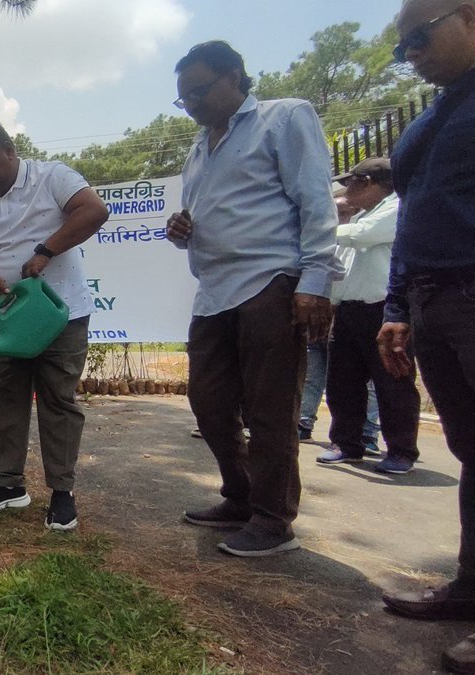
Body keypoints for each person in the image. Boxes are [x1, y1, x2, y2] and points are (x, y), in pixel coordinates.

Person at [165, 41, 343, 557]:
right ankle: (241, 497)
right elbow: (207, 212)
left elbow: (315, 199)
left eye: (198, 90)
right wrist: (184, 229)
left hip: (272, 280)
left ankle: (273, 518)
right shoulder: (199, 148)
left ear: (236, 77)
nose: (192, 104)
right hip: (214, 289)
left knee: (269, 407)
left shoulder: (284, 118)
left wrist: (315, 281)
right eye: (184, 98)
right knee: (209, 400)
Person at [376, 2, 475, 670]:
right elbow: (413, 213)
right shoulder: (436, 114)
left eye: (420, 35)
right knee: (471, 449)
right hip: (431, 297)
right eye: (401, 44)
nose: (410, 51)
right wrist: (397, 303)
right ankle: (470, 586)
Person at [0, 121, 109, 531]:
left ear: (9, 149)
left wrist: (45, 251)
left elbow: (94, 210)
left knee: (58, 401)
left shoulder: (53, 176)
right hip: (12, 319)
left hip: (62, 313)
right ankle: (8, 486)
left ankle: (62, 493)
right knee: (6, 400)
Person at [315, 158, 421, 474]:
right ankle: (347, 443)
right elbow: (344, 262)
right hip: (350, 311)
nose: (348, 190)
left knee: (393, 381)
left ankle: (401, 450)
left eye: (352, 183)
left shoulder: (396, 207)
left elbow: (361, 235)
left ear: (368, 182)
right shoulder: (363, 216)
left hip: (384, 310)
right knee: (343, 381)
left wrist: (318, 230)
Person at [299, 195, 382, 454]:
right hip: (324, 313)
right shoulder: (324, 243)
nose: (339, 216)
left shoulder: (357, 236)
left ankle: (367, 433)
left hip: (357, 312)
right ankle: (304, 423)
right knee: (316, 375)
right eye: (335, 212)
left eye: (345, 211)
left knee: (365, 380)